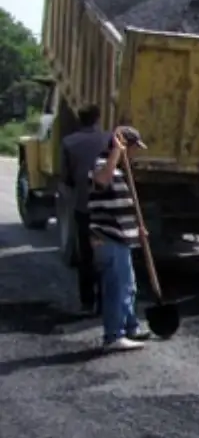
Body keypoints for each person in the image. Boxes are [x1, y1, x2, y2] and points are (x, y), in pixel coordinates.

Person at [89, 126, 151, 352]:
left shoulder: (120, 171)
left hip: (121, 238)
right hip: (107, 238)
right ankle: (114, 335)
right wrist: (116, 152)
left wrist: (137, 229)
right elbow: (102, 180)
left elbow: (120, 207)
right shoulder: (102, 165)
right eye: (133, 148)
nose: (134, 153)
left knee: (129, 286)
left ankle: (129, 327)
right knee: (117, 287)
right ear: (124, 145)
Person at [60, 105, 110, 315]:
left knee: (86, 256)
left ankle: (88, 302)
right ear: (98, 118)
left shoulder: (69, 143)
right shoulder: (109, 139)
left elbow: (67, 178)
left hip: (84, 206)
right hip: (107, 208)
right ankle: (107, 300)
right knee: (108, 254)